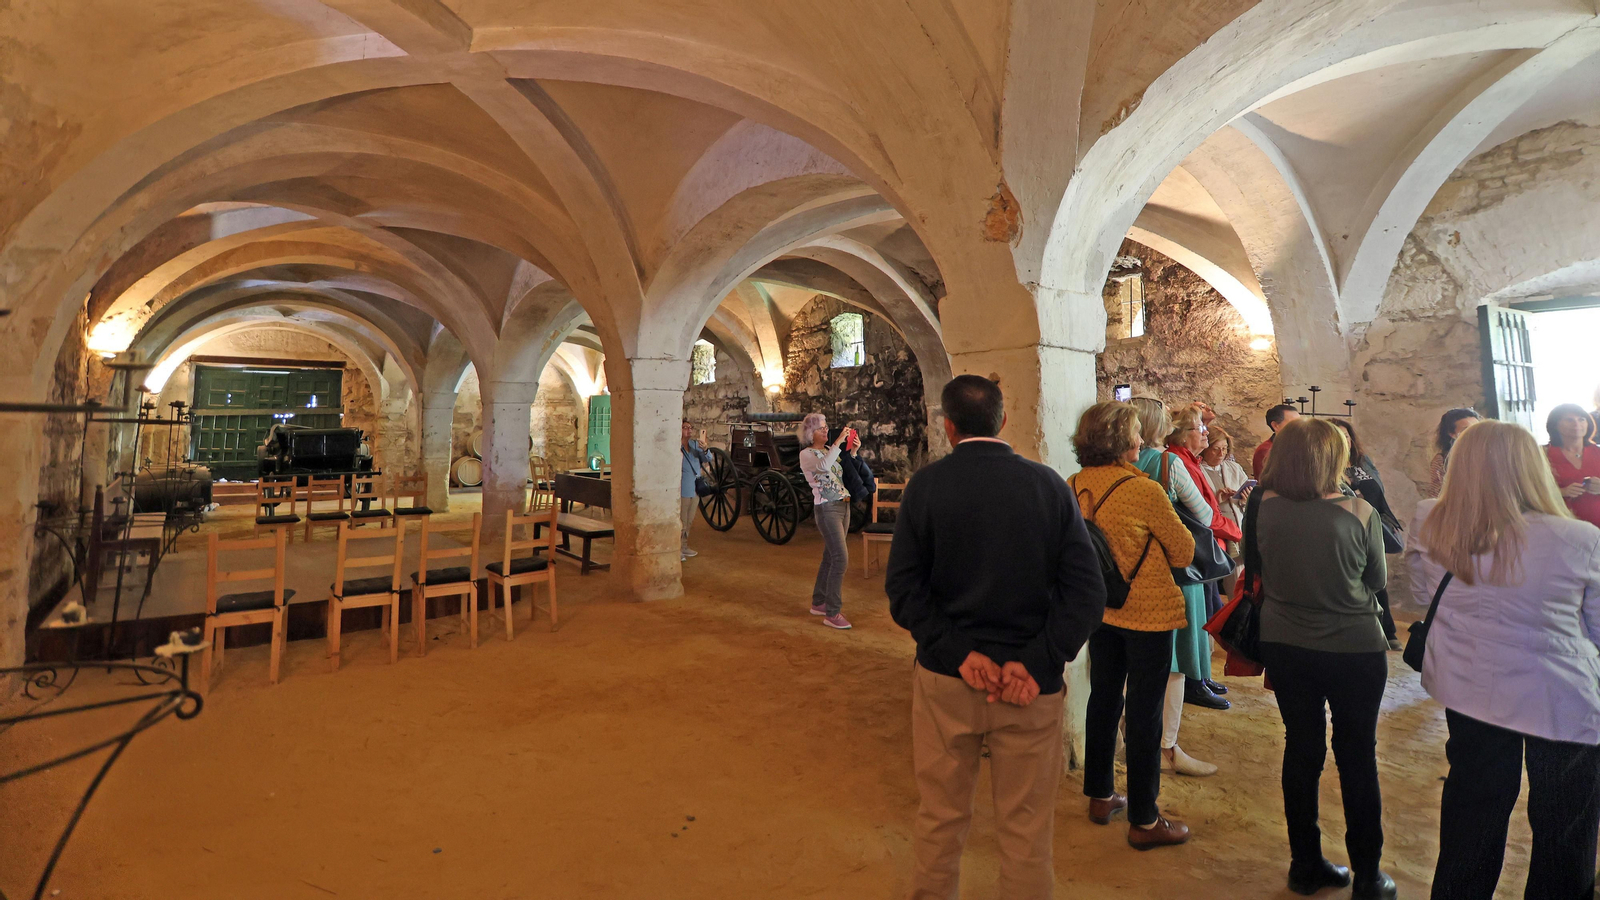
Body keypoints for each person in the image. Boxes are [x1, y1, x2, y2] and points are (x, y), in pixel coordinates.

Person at [887, 376, 1108, 895]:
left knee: (940, 818)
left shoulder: (926, 486)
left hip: (948, 681)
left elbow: (903, 590)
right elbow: (1087, 593)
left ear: (947, 427)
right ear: (1003, 421)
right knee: (1026, 831)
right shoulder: (1048, 485)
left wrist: (959, 655)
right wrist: (1038, 661)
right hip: (1027, 688)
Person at [1408, 421, 1600, 900]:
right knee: (1564, 827)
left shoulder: (1430, 519)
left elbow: (1420, 596)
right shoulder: (1578, 538)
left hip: (1470, 686)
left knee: (1472, 810)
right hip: (1558, 694)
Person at [1252, 418, 1394, 898]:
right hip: (1353, 646)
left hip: (1286, 643)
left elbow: (1258, 567)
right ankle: (1369, 876)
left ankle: (1305, 863)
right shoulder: (1358, 511)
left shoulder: (1264, 506)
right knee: (1357, 755)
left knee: (1302, 748)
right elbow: (1376, 581)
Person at [1071, 401, 1196, 847]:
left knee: (1103, 698)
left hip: (1101, 610)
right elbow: (1183, 552)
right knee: (1145, 713)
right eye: (1136, 435)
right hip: (1148, 613)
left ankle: (1101, 795)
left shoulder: (1076, 486)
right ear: (1122, 442)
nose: (1141, 441)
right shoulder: (1143, 490)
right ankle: (1145, 820)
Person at [1128, 399, 1223, 782]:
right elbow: (1202, 515)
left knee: (1135, 662)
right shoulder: (1169, 464)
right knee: (1176, 664)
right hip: (1174, 573)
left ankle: (1131, 729)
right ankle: (1168, 746)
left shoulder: (1118, 464)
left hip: (1130, 574)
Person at [1329, 417, 1402, 649]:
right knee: (1358, 580)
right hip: (1348, 529)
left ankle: (1387, 630)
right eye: (1340, 437)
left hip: (1373, 523)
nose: (1346, 441)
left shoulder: (1362, 461)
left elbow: (1376, 489)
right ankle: (1366, 632)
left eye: (1348, 436)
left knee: (1378, 578)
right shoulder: (1329, 467)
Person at [799, 413, 855, 629]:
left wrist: (853, 451)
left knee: (830, 557)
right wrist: (838, 442)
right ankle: (832, 612)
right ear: (810, 433)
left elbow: (838, 472)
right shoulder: (807, 454)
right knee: (840, 558)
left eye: (825, 427)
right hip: (827, 507)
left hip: (843, 504)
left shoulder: (826, 451)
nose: (825, 430)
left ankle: (818, 602)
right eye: (820, 428)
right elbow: (823, 467)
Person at [1545, 403, 1600, 529]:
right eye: (1569, 420)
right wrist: (1561, 492)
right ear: (1555, 425)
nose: (1576, 424)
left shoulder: (1598, 452)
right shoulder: (1544, 455)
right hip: (1565, 529)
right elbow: (1531, 493)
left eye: (1581, 419)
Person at [1200, 426, 1249, 535]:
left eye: (1224, 448)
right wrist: (1216, 501)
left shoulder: (1234, 468)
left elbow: (1248, 505)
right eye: (1216, 449)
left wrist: (1245, 500)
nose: (1221, 454)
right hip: (1214, 531)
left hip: (1238, 527)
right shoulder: (1198, 471)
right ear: (1205, 448)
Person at [1424, 408, 1480, 499]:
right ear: (1452, 434)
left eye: (1478, 428)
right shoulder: (1442, 461)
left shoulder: (1494, 456)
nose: (1474, 433)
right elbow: (1436, 497)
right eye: (1466, 430)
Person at [679, 422, 713, 561]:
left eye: (690, 427)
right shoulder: (677, 447)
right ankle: (677, 548)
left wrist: (705, 449)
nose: (689, 430)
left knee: (690, 520)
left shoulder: (694, 445)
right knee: (682, 520)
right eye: (685, 428)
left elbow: (707, 459)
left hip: (695, 489)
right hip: (683, 488)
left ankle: (684, 546)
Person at [1253, 403, 1301, 476]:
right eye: (1294, 423)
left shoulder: (1298, 446)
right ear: (1276, 425)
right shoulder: (1266, 450)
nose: (1299, 427)